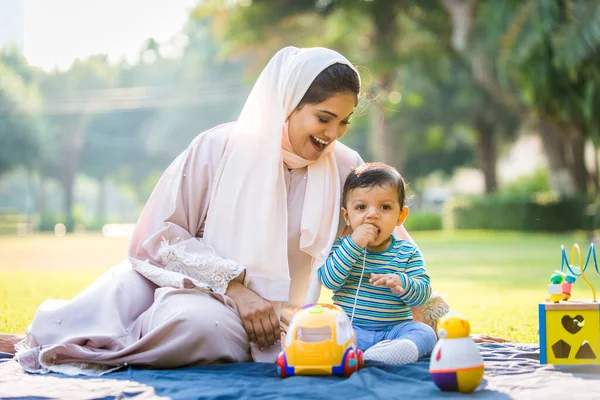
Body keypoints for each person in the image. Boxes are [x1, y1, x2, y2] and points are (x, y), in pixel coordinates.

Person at [0, 46, 450, 376]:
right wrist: (236, 288)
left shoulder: (346, 166)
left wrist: (429, 313)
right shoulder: (218, 147)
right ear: (289, 104)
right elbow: (162, 235)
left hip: (291, 321)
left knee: (314, 338)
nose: (332, 133)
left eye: (344, 122)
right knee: (196, 326)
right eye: (323, 118)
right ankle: (113, 339)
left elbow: (385, 233)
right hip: (210, 299)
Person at [318, 163, 437, 364]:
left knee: (425, 332)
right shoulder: (342, 247)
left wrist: (402, 282)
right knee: (322, 325)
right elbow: (329, 280)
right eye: (361, 207)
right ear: (347, 216)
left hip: (393, 331)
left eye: (385, 207)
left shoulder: (407, 251)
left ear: (401, 216)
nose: (372, 214)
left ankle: (392, 352)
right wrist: (354, 244)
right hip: (350, 329)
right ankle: (351, 351)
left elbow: (424, 292)